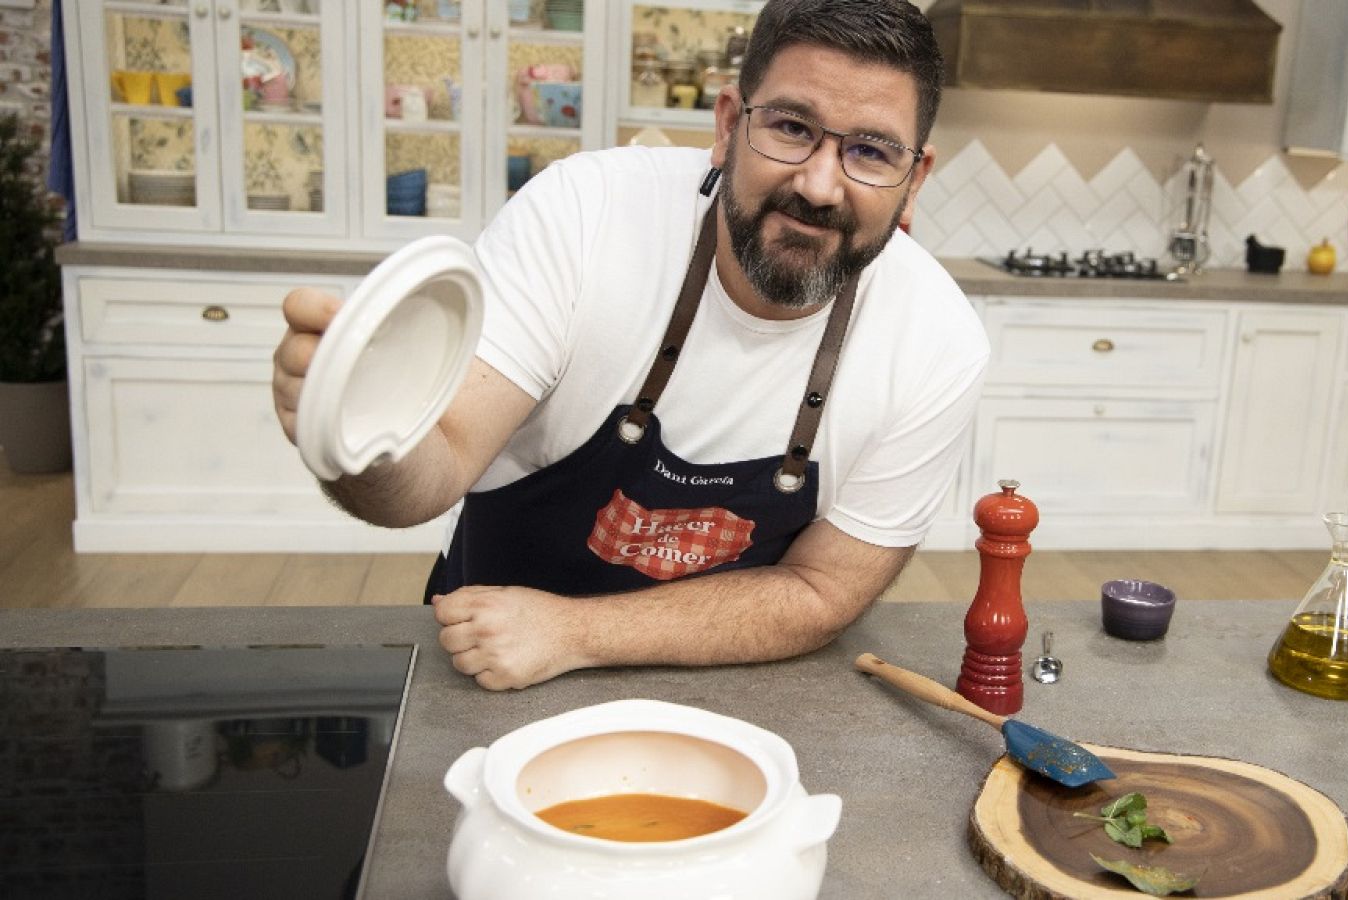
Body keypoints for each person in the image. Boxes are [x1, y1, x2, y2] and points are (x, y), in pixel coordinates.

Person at [271, 0, 988, 690]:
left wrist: (573, 634)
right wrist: (357, 430)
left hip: (742, 693)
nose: (821, 186)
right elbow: (435, 469)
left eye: (870, 151)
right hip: (489, 667)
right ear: (730, 125)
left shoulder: (937, 341)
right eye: (792, 127)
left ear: (914, 179)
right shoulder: (585, 216)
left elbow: (821, 592)